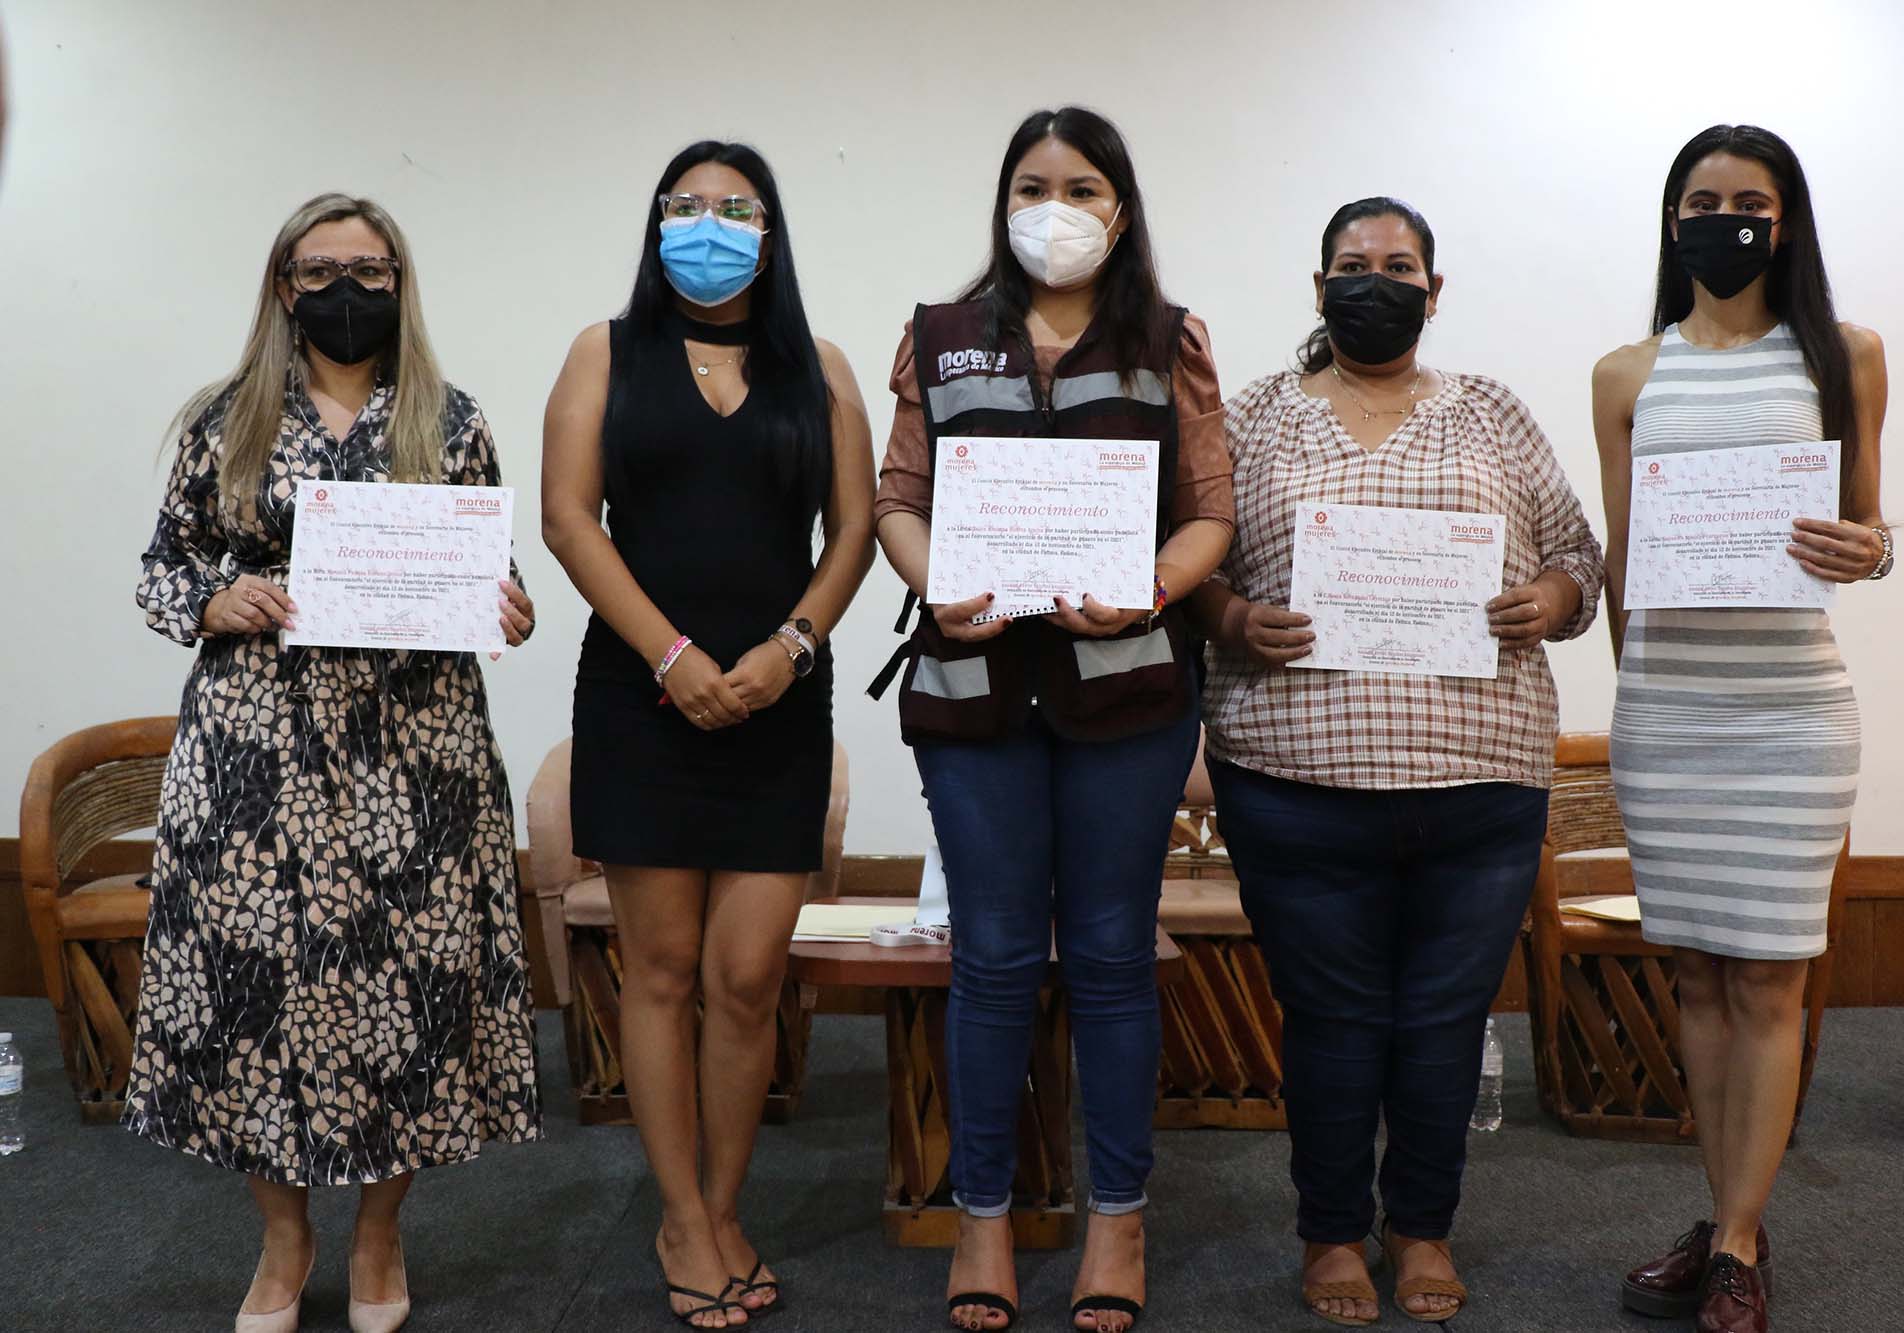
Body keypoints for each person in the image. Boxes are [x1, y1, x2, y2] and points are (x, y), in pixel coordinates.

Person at [125, 193, 542, 1333]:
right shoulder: (225, 420)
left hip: (418, 752)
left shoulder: (451, 420)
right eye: (320, 271)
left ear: (400, 282)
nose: (345, 290)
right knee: (255, 991)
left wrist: (508, 605)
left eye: (369, 269)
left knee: (410, 987)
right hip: (256, 750)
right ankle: (282, 1236)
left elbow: (494, 571)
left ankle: (377, 1231)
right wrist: (216, 596)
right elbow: (161, 567)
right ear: (283, 286)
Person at [1188, 197, 1603, 1327]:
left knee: (1442, 1021)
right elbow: (1185, 564)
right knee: (1328, 1019)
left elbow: (1577, 553)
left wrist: (1548, 597)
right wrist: (1233, 619)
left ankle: (1420, 1227)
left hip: (1481, 778)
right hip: (1296, 779)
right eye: (1352, 264)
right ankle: (1330, 1232)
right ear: (1319, 286)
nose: (1375, 280)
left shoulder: (1493, 413)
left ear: (1434, 288)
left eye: (1399, 264)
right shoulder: (1252, 416)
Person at [873, 106, 1233, 1333]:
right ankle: (982, 1215)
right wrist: (932, 581)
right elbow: (898, 497)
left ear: (1119, 211)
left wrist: (1152, 588)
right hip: (974, 695)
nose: (1054, 208)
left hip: (1125, 696)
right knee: (990, 959)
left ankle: (1116, 1217)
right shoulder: (939, 337)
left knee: (1112, 955)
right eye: (1031, 185)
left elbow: (1208, 512)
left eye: (1081, 188)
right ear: (1002, 201)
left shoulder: (1169, 340)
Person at [541, 141, 875, 1329]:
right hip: (641, 697)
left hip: (778, 698)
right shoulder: (605, 351)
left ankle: (724, 1204)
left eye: (735, 207)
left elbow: (853, 530)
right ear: (655, 225)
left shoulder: (818, 366)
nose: (708, 224)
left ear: (770, 233)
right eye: (684, 206)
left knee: (746, 978)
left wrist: (792, 646)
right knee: (663, 968)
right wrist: (670, 657)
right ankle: (681, 1216)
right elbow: (569, 518)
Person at [1596, 125, 1890, 1333]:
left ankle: (1729, 1241)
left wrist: (1864, 551)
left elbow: (1866, 526)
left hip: (1787, 712)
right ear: (1672, 221)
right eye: (1699, 200)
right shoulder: (1626, 372)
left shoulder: (1843, 353)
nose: (1722, 219)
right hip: (1667, 712)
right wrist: (1633, 698)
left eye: (1747, 200)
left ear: (1785, 219)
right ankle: (1730, 1221)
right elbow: (1621, 562)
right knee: (1694, 976)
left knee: (1766, 977)